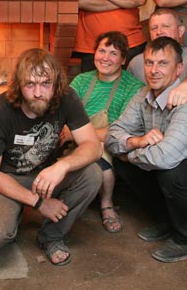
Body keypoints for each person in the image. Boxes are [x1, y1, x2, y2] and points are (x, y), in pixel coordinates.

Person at [106, 37, 187, 263]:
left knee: (171, 171)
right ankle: (168, 220)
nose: (154, 70)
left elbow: (164, 158)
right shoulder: (142, 95)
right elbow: (113, 133)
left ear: (179, 69)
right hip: (177, 167)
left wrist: (129, 154)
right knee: (125, 161)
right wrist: (135, 141)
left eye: (163, 63)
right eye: (149, 63)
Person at [0, 48, 103, 266]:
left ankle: (51, 236)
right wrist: (39, 203)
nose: (38, 92)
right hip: (6, 179)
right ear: (18, 85)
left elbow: (93, 146)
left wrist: (62, 166)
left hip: (45, 175)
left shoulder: (66, 98)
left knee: (93, 173)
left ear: (56, 83)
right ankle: (14, 210)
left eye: (45, 84)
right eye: (30, 84)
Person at [64, 31, 143, 233]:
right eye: (102, 51)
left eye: (113, 53)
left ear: (123, 59)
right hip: (75, 137)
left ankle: (107, 205)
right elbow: (63, 111)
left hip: (109, 141)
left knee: (102, 165)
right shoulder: (81, 80)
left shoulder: (133, 87)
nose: (105, 58)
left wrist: (78, 134)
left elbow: (121, 130)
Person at [128, 8, 187, 109]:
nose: (159, 32)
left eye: (166, 26)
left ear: (180, 31)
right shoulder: (136, 62)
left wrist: (186, 86)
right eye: (154, 28)